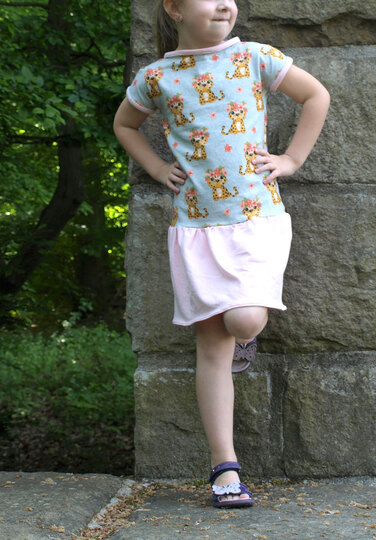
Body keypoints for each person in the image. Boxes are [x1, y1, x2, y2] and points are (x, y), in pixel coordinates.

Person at [114, 0, 330, 508]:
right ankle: (225, 469)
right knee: (211, 348)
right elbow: (124, 125)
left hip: (256, 219)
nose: (225, 5)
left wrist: (292, 158)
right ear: (174, 7)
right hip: (195, 229)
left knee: (244, 320)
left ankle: (245, 338)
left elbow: (315, 95)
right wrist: (155, 167)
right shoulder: (156, 77)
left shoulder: (254, 56)